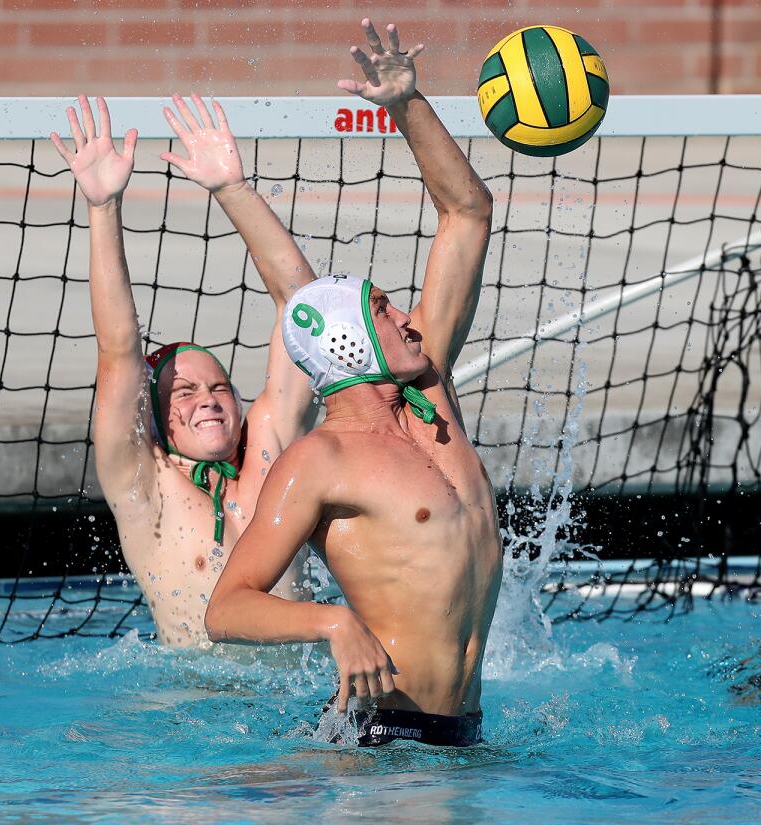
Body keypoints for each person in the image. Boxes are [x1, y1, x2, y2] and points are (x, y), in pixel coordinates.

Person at [205, 19, 500, 748]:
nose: (407, 316)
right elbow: (227, 608)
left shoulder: (433, 392)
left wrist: (407, 103)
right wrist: (331, 621)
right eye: (384, 310)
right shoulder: (322, 459)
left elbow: (468, 213)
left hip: (465, 737)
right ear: (350, 348)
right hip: (383, 747)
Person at [50, 92, 317, 647]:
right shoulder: (145, 484)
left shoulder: (274, 457)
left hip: (295, 706)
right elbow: (118, 354)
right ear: (155, 418)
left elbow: (303, 308)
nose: (209, 399)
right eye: (185, 391)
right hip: (193, 708)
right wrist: (103, 209)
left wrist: (232, 190)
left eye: (220, 386)